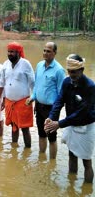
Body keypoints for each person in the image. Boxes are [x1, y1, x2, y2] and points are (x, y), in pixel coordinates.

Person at [45, 54, 95, 183]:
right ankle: (71, 186)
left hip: (86, 127)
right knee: (71, 154)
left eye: (74, 72)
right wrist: (51, 118)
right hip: (71, 124)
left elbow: (82, 113)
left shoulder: (90, 86)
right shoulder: (67, 82)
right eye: (69, 71)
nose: (71, 74)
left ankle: (86, 190)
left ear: (82, 70)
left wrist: (59, 124)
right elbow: (59, 100)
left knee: (86, 160)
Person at [26, 42, 65, 159]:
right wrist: (32, 97)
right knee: (41, 134)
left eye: (48, 51)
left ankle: (52, 164)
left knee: (52, 137)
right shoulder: (39, 65)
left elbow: (61, 94)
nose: (45, 53)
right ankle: (41, 158)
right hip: (39, 106)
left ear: (54, 53)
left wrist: (55, 111)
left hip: (51, 109)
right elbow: (37, 86)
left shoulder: (59, 70)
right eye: (44, 50)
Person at [0, 42, 35, 148]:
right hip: (9, 102)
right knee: (14, 126)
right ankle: (14, 150)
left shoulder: (26, 64)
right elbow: (1, 84)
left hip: (24, 102)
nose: (9, 54)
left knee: (25, 128)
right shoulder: (5, 64)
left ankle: (27, 150)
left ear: (18, 52)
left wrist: (34, 98)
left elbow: (33, 84)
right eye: (8, 51)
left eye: (12, 52)